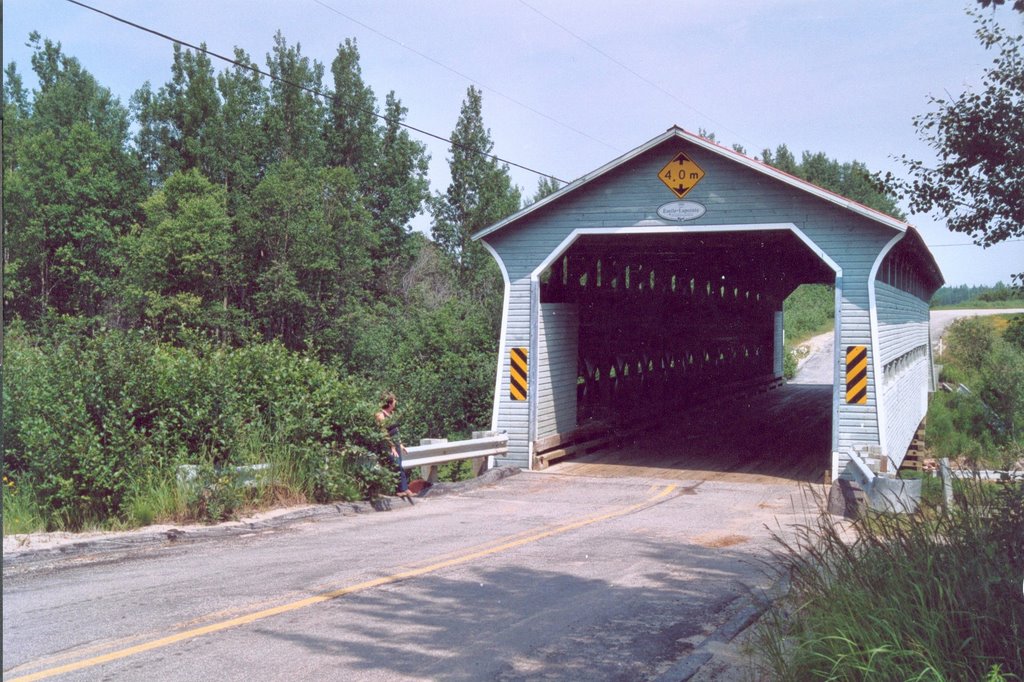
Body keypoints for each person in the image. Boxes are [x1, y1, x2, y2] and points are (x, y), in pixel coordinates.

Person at [375, 392, 412, 498]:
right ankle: (400, 489)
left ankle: (404, 489)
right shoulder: (380, 415)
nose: (396, 403)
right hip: (388, 445)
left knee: (399, 465)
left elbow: (396, 430)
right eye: (394, 401)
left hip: (395, 443)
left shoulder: (392, 414)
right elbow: (384, 433)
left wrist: (400, 444)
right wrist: (391, 446)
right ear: (390, 403)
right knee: (396, 465)